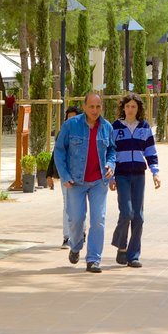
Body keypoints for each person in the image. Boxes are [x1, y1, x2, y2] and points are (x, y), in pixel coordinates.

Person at [54, 92, 116, 273]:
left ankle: (93, 259)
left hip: (99, 182)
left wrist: (111, 164)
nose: (95, 110)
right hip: (76, 182)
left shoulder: (106, 127)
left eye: (98, 107)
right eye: (91, 106)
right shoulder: (71, 125)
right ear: (84, 106)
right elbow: (59, 151)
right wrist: (64, 175)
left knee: (98, 220)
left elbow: (112, 150)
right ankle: (75, 246)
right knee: (76, 219)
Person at [109, 93, 160, 268]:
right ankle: (121, 246)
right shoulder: (114, 127)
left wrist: (155, 173)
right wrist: (112, 177)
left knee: (138, 216)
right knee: (126, 213)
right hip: (122, 175)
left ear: (138, 109)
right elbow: (110, 153)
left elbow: (151, 152)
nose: (130, 110)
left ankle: (133, 255)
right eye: (128, 106)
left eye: (134, 107)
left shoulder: (145, 127)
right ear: (123, 108)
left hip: (139, 175)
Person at [49, 105, 82, 249]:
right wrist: (49, 174)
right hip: (65, 175)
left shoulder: (85, 133)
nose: (71, 121)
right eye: (68, 119)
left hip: (82, 175)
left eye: (74, 118)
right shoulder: (62, 134)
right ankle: (67, 237)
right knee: (67, 205)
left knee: (80, 206)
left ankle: (81, 231)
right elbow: (55, 155)